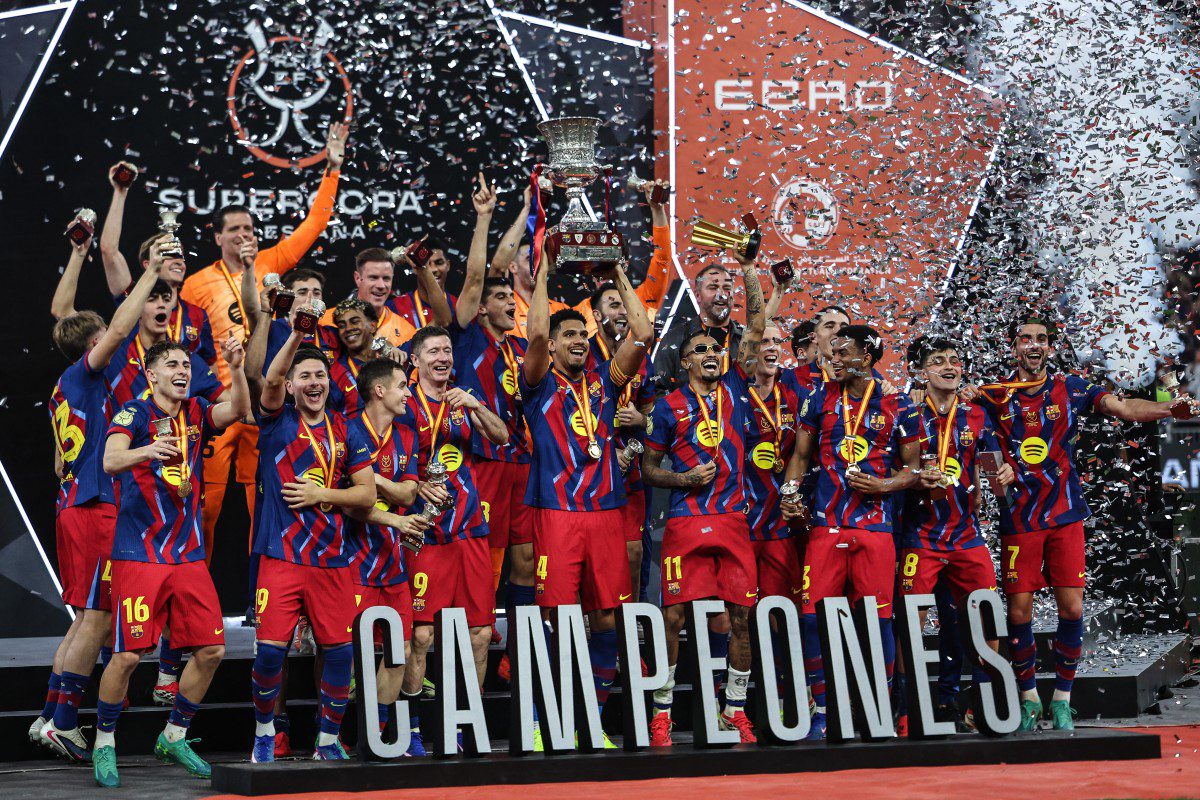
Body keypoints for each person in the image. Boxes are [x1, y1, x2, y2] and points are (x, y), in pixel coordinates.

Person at [981, 313, 1189, 731]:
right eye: (1025, 339)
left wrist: (1169, 408)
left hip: (1065, 515)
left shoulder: (1071, 387)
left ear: (1051, 347)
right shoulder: (992, 395)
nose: (1034, 345)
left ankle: (1061, 698)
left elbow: (1125, 407)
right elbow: (972, 442)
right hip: (1019, 519)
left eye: (1041, 338)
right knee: (1018, 614)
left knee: (1071, 606)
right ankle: (1027, 700)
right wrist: (995, 472)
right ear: (1013, 346)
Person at [181, 122, 348, 566]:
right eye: (233, 228)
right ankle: (192, 587)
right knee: (205, 505)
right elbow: (185, 341)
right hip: (221, 400)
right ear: (217, 236)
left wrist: (331, 168)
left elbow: (315, 223)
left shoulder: (272, 262)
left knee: (269, 501)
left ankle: (264, 595)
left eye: (248, 227)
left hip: (271, 401)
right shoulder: (195, 285)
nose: (242, 234)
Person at [91, 336, 250, 787]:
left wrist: (236, 369)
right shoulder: (134, 413)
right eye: (173, 364)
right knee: (126, 656)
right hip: (138, 553)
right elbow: (109, 459)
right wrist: (146, 450)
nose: (182, 370)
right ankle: (105, 743)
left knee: (213, 649)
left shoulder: (197, 411)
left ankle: (174, 735)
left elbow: (236, 410)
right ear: (152, 373)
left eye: (186, 364)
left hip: (187, 555)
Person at [35, 242, 167, 760]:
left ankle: (50, 713)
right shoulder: (88, 372)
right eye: (105, 343)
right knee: (98, 618)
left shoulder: (62, 386)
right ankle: (65, 720)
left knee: (84, 617)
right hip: (94, 507)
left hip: (75, 503)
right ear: (93, 344)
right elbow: (115, 330)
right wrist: (150, 272)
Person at [520, 246, 653, 749]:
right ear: (552, 347)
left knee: (605, 617)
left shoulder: (603, 383)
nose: (578, 341)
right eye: (569, 335)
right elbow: (534, 331)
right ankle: (541, 720)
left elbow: (641, 334)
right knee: (556, 618)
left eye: (582, 334)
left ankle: (592, 722)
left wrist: (616, 269)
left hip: (605, 513)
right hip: (557, 514)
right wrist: (545, 271)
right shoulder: (535, 384)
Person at [641, 253, 767, 746]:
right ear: (685, 361)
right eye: (701, 349)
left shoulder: (737, 386)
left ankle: (733, 709)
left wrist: (750, 269)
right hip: (686, 521)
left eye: (716, 348)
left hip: (732, 520)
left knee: (740, 616)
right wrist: (686, 478)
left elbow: (756, 323)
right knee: (673, 616)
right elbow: (650, 470)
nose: (712, 353)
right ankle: (662, 712)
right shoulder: (669, 406)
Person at [781, 324, 922, 740]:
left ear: (868, 357)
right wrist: (790, 492)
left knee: (878, 622)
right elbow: (799, 456)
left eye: (843, 354)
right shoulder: (818, 398)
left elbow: (914, 468)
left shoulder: (899, 405)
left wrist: (884, 486)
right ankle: (822, 711)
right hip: (826, 526)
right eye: (832, 353)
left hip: (876, 530)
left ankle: (877, 712)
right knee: (811, 620)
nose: (833, 360)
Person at [247, 319, 377, 762]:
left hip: (334, 559)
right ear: (293, 385)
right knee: (269, 656)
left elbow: (366, 494)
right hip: (281, 557)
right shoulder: (275, 420)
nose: (314, 382)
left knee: (340, 655)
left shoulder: (348, 428)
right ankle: (265, 731)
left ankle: (326, 742)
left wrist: (323, 494)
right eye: (305, 376)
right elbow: (271, 379)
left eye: (320, 374)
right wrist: (298, 337)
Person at [397, 325, 508, 750]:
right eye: (433, 351)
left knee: (479, 632)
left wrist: (476, 405)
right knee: (422, 635)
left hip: (469, 529)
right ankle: (411, 730)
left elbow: (502, 437)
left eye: (447, 349)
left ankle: (469, 725)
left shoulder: (464, 401)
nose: (443, 357)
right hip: (425, 531)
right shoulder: (405, 403)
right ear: (417, 360)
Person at [897, 337, 1014, 728]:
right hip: (921, 534)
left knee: (986, 614)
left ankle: (982, 701)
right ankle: (908, 708)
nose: (949, 366)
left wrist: (1002, 475)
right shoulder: (907, 411)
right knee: (912, 621)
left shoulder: (976, 414)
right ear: (922, 371)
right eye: (937, 361)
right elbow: (892, 467)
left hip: (965, 534)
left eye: (954, 360)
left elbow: (993, 470)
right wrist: (915, 477)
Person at [450, 177, 533, 605]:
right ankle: (475, 633)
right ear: (483, 306)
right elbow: (478, 273)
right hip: (484, 460)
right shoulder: (467, 339)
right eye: (501, 298)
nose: (509, 303)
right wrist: (484, 219)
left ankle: (513, 658)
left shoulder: (519, 347)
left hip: (523, 459)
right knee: (485, 555)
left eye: (509, 297)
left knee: (524, 558)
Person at [342, 358, 431, 755]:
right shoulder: (343, 431)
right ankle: (331, 733)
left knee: (401, 649)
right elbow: (347, 504)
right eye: (402, 386)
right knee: (338, 651)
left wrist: (368, 478)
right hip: (348, 561)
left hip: (391, 564)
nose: (409, 393)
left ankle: (374, 737)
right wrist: (381, 496)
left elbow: (409, 495)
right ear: (380, 391)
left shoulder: (407, 436)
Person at [492, 179, 674, 338]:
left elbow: (662, 260)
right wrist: (529, 210)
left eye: (611, 255)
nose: (604, 262)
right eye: (596, 255)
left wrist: (657, 210)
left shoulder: (643, 298)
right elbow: (497, 270)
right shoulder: (580, 311)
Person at [95, 162, 216, 368]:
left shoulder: (197, 315)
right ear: (147, 263)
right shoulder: (133, 298)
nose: (178, 259)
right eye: (168, 254)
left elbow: (209, 369)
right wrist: (120, 192)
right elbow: (109, 250)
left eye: (180, 255)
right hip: (139, 395)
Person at [587, 279, 656, 603]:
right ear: (597, 315)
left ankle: (628, 624)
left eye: (625, 305)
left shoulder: (644, 359)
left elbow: (653, 418)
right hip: (589, 471)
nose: (623, 311)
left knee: (633, 552)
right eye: (614, 304)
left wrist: (643, 420)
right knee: (590, 553)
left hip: (629, 470)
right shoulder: (582, 352)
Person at [653, 264, 740, 394]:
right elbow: (658, 392)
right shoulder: (674, 339)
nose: (721, 294)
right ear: (698, 295)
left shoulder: (745, 341)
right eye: (713, 287)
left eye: (727, 288)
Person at [318, 248, 418, 346]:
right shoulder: (325, 322)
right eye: (373, 278)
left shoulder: (407, 332)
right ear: (357, 278)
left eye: (386, 278)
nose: (381, 286)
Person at [392, 236, 458, 329]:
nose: (433, 269)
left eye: (439, 262)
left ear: (448, 265)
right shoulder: (395, 308)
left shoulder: (458, 307)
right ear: (414, 268)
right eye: (426, 264)